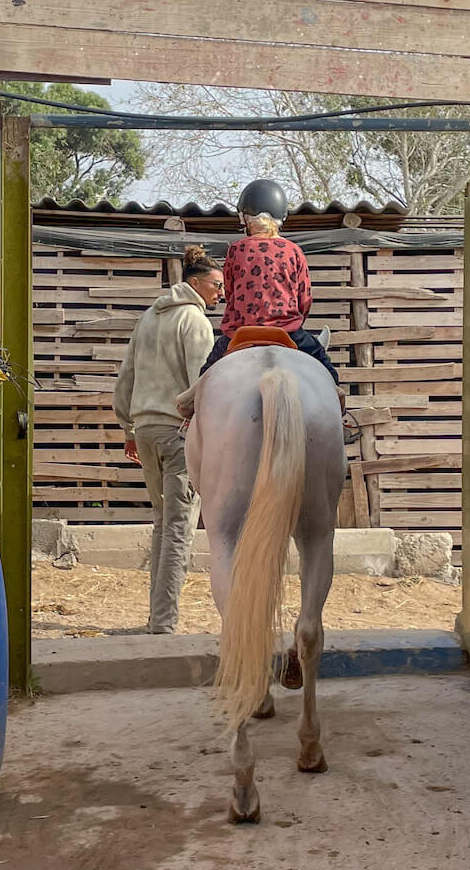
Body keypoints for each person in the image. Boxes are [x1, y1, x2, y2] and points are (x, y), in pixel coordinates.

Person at [113, 246, 224, 633]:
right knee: (179, 526)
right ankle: (163, 623)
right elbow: (202, 386)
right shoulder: (195, 322)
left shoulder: (148, 317)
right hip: (177, 434)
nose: (221, 293)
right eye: (216, 284)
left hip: (144, 431)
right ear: (195, 283)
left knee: (163, 522)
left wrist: (129, 428)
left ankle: (156, 616)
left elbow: (125, 377)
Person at [199, 179, 342, 395]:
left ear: (245, 218)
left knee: (203, 381)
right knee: (330, 376)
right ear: (281, 217)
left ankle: (188, 412)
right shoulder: (293, 251)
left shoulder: (236, 250)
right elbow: (304, 299)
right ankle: (339, 407)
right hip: (287, 331)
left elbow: (230, 292)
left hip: (241, 332)